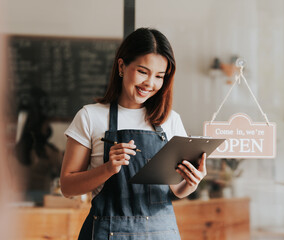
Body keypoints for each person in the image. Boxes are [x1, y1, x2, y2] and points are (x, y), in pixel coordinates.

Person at [60, 27, 207, 239]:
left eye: (159, 76)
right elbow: (67, 187)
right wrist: (108, 168)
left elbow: (177, 190)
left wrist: (192, 183)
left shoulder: (170, 120)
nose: (150, 83)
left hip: (161, 233)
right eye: (142, 72)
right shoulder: (89, 117)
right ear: (122, 66)